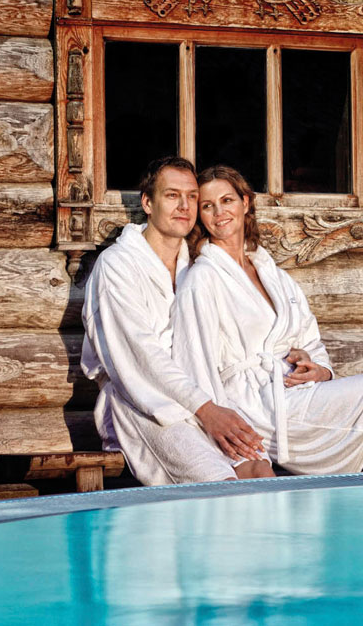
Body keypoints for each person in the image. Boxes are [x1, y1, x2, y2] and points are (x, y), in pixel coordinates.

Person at [172, 164, 363, 474]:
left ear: (245, 203)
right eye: (207, 206)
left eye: (227, 200)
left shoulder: (272, 274)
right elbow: (193, 359)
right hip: (258, 407)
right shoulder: (202, 279)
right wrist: (216, 420)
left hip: (299, 393)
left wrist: (321, 372)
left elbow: (309, 339)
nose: (218, 212)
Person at [81, 156, 281, 485]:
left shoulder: (194, 266)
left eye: (191, 197)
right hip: (145, 404)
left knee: (259, 470)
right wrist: (207, 410)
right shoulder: (117, 266)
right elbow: (139, 355)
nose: (184, 206)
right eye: (172, 195)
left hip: (204, 395)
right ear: (147, 202)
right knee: (221, 483)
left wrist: (298, 354)